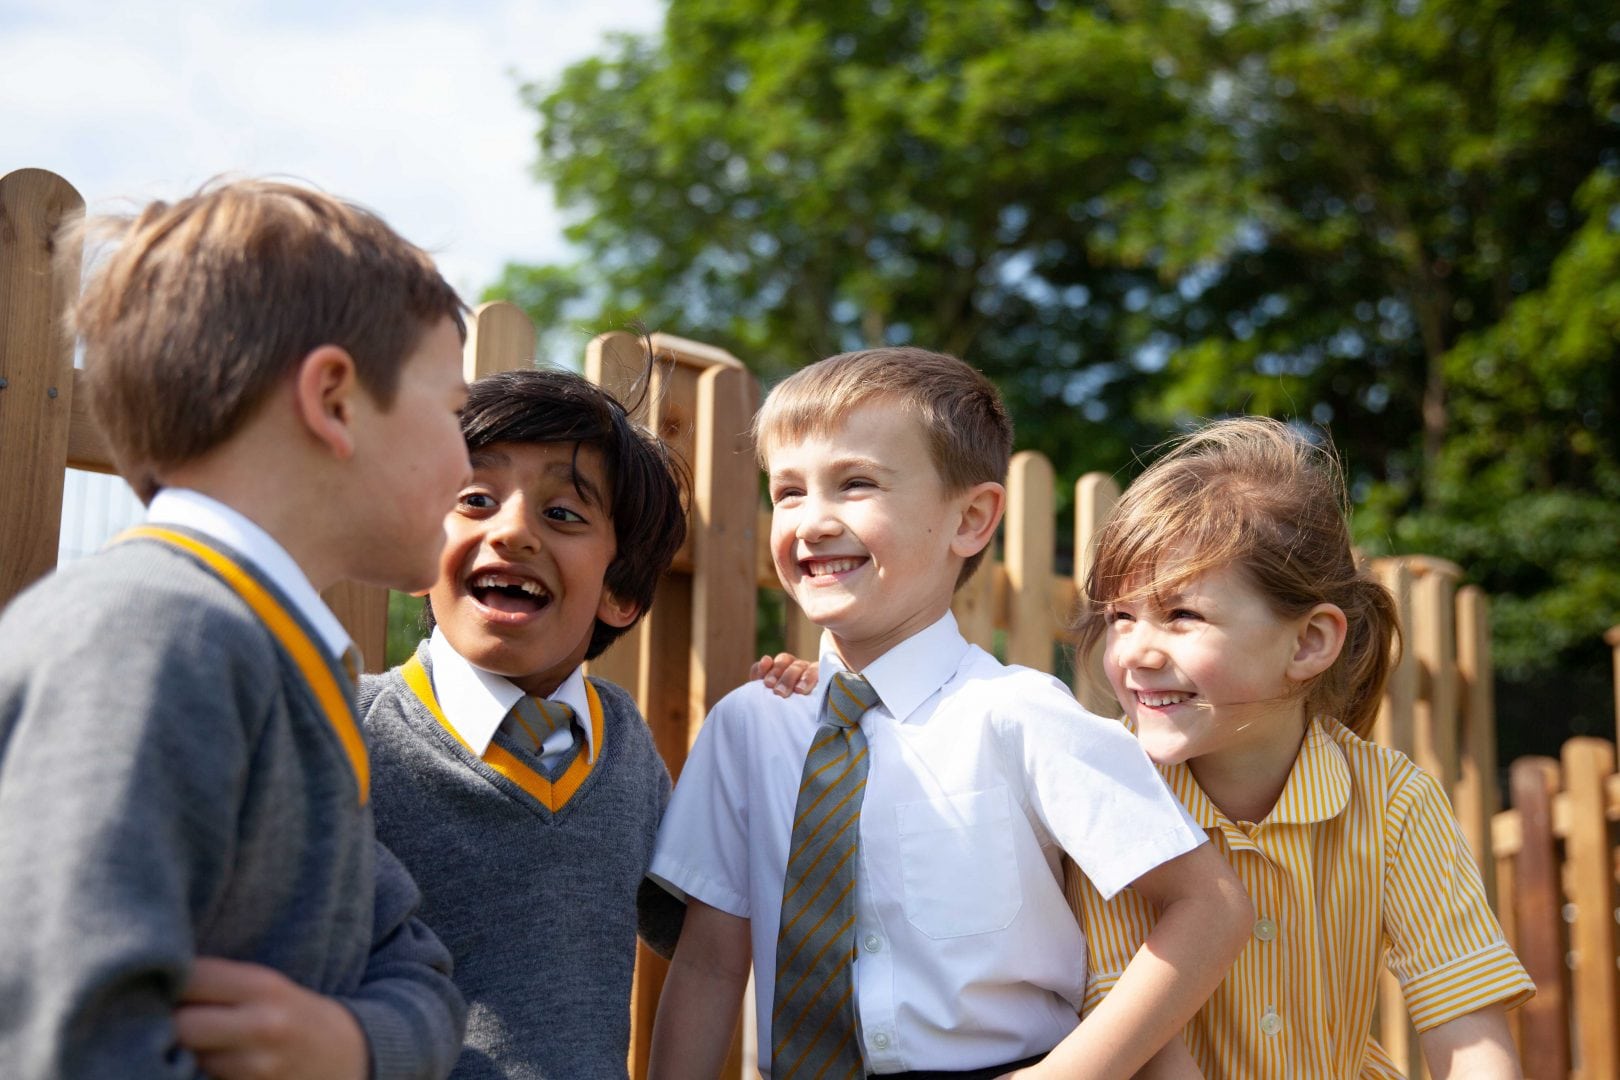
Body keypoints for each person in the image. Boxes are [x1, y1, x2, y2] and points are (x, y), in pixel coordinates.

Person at [647, 347, 1253, 1080]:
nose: (811, 522)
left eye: (855, 483)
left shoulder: (1021, 717)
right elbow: (712, 963)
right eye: (788, 492)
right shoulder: (749, 726)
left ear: (971, 519)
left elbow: (1211, 906)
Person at [0, 179, 471, 1078]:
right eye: (452, 412)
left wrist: (354, 1045)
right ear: (334, 398)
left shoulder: (273, 656)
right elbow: (67, 1044)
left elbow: (415, 968)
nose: (465, 459)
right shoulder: (149, 638)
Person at [1068, 416, 1534, 1078]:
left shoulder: (1394, 801)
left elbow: (1471, 1043)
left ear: (1309, 642)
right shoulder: (1102, 792)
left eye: (1182, 615)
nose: (1135, 652)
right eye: (1121, 617)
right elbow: (1144, 1055)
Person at [357, 366, 690, 1078]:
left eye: (564, 514)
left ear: (621, 592)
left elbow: (710, 923)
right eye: (475, 499)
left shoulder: (625, 746)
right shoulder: (346, 732)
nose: (512, 532)